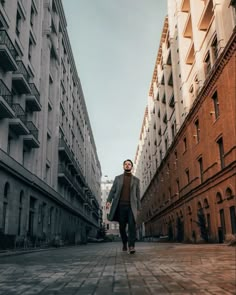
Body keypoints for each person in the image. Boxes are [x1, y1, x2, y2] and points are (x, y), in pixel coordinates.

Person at [106, 159, 141, 254]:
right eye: (125, 164)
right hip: (120, 206)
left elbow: (138, 195)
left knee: (132, 226)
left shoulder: (136, 180)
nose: (127, 165)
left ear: (131, 167)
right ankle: (125, 242)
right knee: (122, 227)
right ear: (123, 166)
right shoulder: (118, 178)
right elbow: (112, 191)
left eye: (129, 164)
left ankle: (131, 246)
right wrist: (109, 201)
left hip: (131, 207)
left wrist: (138, 208)